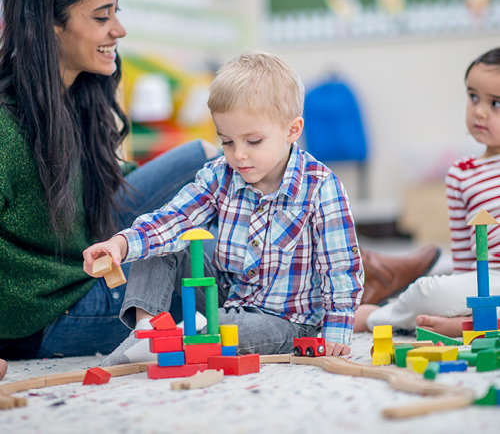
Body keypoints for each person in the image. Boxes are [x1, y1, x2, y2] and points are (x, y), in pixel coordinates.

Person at [0, 0, 218, 368]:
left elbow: (101, 182)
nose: (118, 29)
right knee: (210, 295)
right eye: (102, 17)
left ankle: (348, 271)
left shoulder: (74, 94)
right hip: (47, 311)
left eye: (116, 11)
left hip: (79, 250)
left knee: (205, 157)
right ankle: (341, 285)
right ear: (50, 26)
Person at [83, 51, 366, 364]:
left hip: (289, 322)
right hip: (227, 301)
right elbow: (174, 219)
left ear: (292, 130)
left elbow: (340, 267)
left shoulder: (321, 187)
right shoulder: (221, 174)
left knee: (225, 330)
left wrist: (337, 331)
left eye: (253, 141)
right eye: (227, 142)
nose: (239, 155)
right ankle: (148, 332)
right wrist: (121, 243)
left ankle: (191, 336)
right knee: (161, 245)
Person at [354, 47, 500, 337]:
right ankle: (463, 320)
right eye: (473, 97)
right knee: (428, 291)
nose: (479, 112)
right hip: (488, 279)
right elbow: (461, 254)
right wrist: (457, 297)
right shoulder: (461, 173)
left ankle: (462, 326)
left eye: (496, 104)